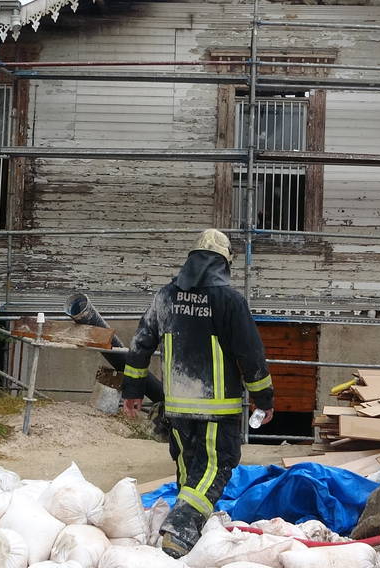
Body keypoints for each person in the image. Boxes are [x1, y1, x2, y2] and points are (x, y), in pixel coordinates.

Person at [121, 229, 274, 558]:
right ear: (223, 264)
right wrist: (264, 399)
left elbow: (140, 344)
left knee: (190, 470)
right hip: (217, 409)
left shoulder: (166, 296)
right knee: (215, 468)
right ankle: (180, 531)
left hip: (176, 407)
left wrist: (132, 390)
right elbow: (250, 355)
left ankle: (186, 540)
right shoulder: (229, 301)